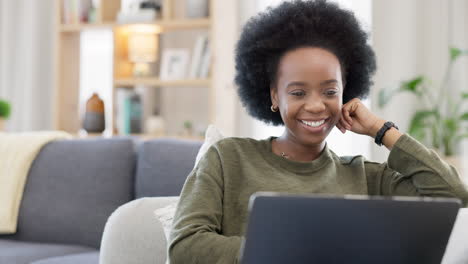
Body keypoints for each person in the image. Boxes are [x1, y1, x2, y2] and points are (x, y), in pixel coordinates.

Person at [168, 0, 468, 263]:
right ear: (274, 96)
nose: (316, 106)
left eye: (330, 91)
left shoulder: (366, 176)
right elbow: (185, 246)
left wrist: (381, 130)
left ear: (346, 93)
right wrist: (284, 251)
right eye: (298, 93)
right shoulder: (228, 158)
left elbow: (456, 197)